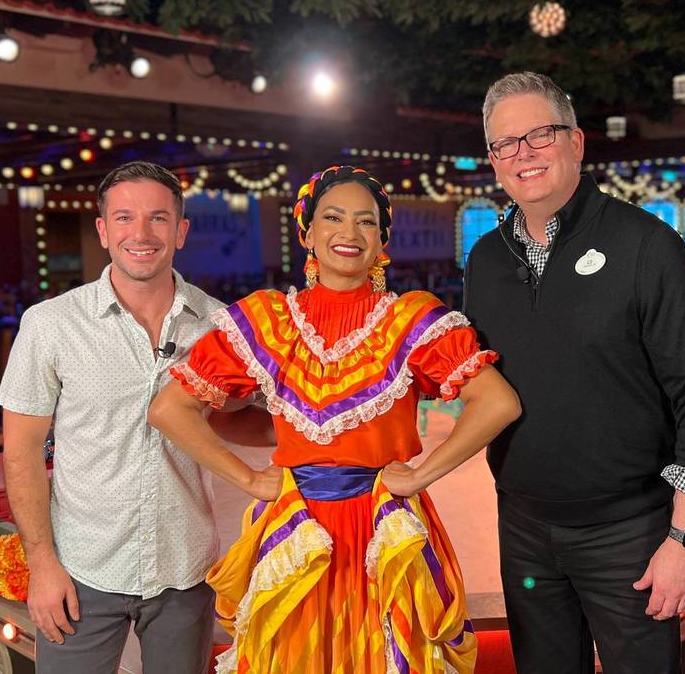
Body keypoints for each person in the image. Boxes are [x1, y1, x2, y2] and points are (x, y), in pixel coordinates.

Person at [148, 165, 521, 673]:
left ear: (382, 241)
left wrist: (420, 474)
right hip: (296, 530)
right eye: (333, 217)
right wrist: (249, 478)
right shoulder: (267, 321)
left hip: (384, 530)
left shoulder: (412, 319)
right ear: (307, 234)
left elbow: (498, 402)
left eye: (367, 221)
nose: (350, 232)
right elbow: (170, 408)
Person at [463, 72, 685, 673]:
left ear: (576, 142)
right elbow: (475, 380)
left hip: (630, 534)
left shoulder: (647, 245)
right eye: (505, 143)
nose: (523, 153)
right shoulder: (484, 261)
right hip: (524, 530)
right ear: (494, 161)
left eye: (540, 134)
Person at [0, 161, 226, 673]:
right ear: (103, 231)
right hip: (81, 568)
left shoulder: (220, 324)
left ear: (181, 231)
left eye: (158, 218)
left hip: (185, 568)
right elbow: (21, 452)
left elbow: (251, 419)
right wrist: (41, 565)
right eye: (124, 218)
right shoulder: (50, 324)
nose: (141, 233)